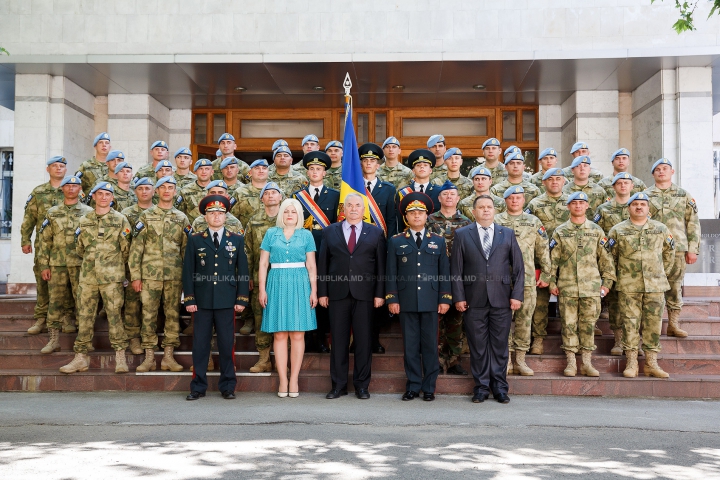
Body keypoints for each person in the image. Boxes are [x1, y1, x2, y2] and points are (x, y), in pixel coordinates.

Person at [451, 195, 524, 404]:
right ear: (473, 212)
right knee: (478, 346)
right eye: (481, 207)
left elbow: (518, 268)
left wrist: (516, 295)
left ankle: (500, 388)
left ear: (494, 210)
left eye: (489, 207)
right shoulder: (463, 235)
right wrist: (459, 297)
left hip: (501, 300)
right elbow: (456, 269)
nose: (485, 210)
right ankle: (481, 387)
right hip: (473, 300)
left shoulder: (507, 234)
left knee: (500, 347)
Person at [318, 193, 386, 400]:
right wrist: (323, 292)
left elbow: (381, 267)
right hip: (337, 294)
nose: (354, 208)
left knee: (364, 341)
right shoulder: (330, 232)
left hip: (365, 294)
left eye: (358, 205)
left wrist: (380, 294)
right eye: (350, 205)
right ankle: (338, 385)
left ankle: (362, 386)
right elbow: (323, 264)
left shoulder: (375, 233)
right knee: (338, 341)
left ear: (364, 210)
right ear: (343, 209)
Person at [59, 181, 131, 374]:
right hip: (88, 276)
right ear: (94, 196)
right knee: (84, 316)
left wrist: (113, 266)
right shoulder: (84, 220)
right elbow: (79, 247)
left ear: (112, 198)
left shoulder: (121, 220)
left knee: (115, 316)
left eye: (108, 194)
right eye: (100, 194)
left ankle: (120, 356)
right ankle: (80, 358)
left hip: (112, 277)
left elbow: (126, 250)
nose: (104, 197)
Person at [183, 195, 249, 400]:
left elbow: (243, 271)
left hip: (226, 300)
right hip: (201, 301)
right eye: (212, 213)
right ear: (205, 216)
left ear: (225, 216)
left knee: (226, 344)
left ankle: (228, 386)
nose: (216, 217)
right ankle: (197, 387)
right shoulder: (195, 240)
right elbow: (188, 271)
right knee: (200, 345)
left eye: (220, 213)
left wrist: (241, 298)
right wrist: (190, 299)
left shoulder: (236, 239)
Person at [386, 192, 451, 401]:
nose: (416, 216)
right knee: (411, 346)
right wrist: (392, 298)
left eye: (420, 213)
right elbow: (391, 272)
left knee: (430, 345)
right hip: (406, 301)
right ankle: (413, 386)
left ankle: (429, 387)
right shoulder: (396, 241)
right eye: (412, 213)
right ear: (406, 217)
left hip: (431, 301)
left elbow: (444, 272)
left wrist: (445, 298)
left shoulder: (438, 241)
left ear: (427, 216)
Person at [608, 192, 675, 379]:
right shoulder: (617, 230)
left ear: (648, 208)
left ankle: (651, 363)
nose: (639, 207)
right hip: (628, 286)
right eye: (635, 204)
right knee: (629, 323)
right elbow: (609, 257)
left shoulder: (661, 229)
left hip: (655, 286)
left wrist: (660, 272)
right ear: (628, 208)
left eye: (643, 204)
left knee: (653, 324)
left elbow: (670, 253)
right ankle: (631, 363)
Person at [549, 192, 616, 377]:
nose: (578, 206)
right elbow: (552, 260)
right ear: (568, 206)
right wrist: (552, 281)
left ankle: (586, 362)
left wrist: (607, 283)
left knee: (588, 325)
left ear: (587, 206)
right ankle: (571, 363)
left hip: (591, 288)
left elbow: (606, 260)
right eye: (574, 203)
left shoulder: (596, 231)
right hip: (567, 287)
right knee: (569, 325)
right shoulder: (560, 231)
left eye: (581, 203)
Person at [129, 176, 191, 373]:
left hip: (174, 275)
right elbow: (136, 248)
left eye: (170, 187)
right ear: (156, 191)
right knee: (148, 315)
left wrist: (185, 279)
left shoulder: (182, 218)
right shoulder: (146, 217)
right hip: (149, 276)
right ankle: (149, 358)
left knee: (172, 315)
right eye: (162, 187)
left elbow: (186, 251)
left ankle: (168, 357)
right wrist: (136, 276)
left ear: (175, 192)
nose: (166, 190)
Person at [258, 198, 318, 397]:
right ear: (281, 214)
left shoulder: (306, 235)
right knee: (280, 334)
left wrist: (314, 290)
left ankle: (294, 380)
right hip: (276, 282)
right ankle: (283, 380)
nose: (289, 214)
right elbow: (263, 264)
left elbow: (311, 265)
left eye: (293, 211)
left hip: (300, 283)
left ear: (299, 215)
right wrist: (262, 289)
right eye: (286, 211)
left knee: (298, 334)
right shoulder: (270, 234)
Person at [494, 186, 551, 376]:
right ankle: (506, 360)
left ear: (524, 199)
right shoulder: (496, 221)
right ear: (505, 200)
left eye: (518, 197)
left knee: (524, 321)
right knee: (502, 321)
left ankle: (520, 359)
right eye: (510, 198)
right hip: (500, 280)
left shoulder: (533, 221)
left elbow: (543, 250)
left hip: (526, 279)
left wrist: (546, 274)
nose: (514, 201)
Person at [645, 158, 701, 338]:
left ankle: (673, 323)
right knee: (652, 287)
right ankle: (651, 326)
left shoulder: (684, 195)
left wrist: (693, 248)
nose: (662, 172)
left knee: (675, 286)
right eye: (658, 169)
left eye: (665, 169)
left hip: (677, 248)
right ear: (653, 174)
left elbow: (693, 223)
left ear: (672, 172)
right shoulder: (645, 195)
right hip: (652, 249)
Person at [37, 175, 93, 353]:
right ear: (62, 189)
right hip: (57, 264)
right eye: (67, 185)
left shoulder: (88, 212)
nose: (71, 188)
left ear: (80, 189)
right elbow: (44, 240)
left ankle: (85, 340)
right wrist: (44, 265)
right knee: (55, 302)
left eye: (74, 185)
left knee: (83, 302)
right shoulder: (52, 212)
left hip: (81, 264)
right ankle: (53, 340)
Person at [292, 151, 339, 353]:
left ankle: (321, 338)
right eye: (311, 169)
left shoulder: (335, 196)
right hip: (302, 253)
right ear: (307, 172)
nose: (315, 172)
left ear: (325, 173)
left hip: (326, 252)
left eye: (318, 169)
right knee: (304, 296)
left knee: (322, 296)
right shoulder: (297, 197)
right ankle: (307, 337)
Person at [426, 180, 471, 375]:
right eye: (445, 194)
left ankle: (454, 360)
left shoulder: (467, 222)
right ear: (439, 197)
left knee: (456, 320)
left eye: (453, 194)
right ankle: (435, 360)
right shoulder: (429, 220)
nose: (449, 197)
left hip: (458, 277)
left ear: (458, 198)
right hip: (433, 277)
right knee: (435, 320)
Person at [525, 168, 569, 354]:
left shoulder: (572, 202)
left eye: (558, 179)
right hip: (541, 260)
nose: (554, 182)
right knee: (540, 303)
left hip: (568, 261)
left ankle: (569, 342)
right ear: (543, 182)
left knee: (569, 303)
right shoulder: (535, 204)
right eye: (550, 179)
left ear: (564, 181)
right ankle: (538, 339)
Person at [360, 142, 399, 353]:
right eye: (365, 160)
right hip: (356, 251)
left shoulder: (388, 189)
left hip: (379, 248)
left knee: (376, 296)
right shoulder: (352, 187)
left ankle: (373, 339)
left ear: (378, 165)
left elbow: (392, 221)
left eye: (372, 161)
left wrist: (390, 246)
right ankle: (356, 340)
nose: (369, 163)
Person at [21, 155, 66, 335]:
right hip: (44, 246)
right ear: (48, 169)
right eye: (54, 166)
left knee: (66, 284)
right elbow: (29, 218)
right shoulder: (38, 192)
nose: (58, 168)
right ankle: (41, 318)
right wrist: (25, 239)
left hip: (67, 247)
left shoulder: (73, 190)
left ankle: (64, 317)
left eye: (62, 166)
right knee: (42, 281)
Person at [244, 182, 284, 373]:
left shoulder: (288, 219)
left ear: (280, 197)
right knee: (260, 318)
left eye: (274, 193)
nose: (270, 196)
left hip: (285, 278)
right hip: (261, 279)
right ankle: (264, 358)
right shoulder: (253, 221)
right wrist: (248, 277)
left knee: (284, 317)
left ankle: (285, 359)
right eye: (266, 193)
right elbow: (248, 251)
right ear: (261, 199)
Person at [594, 172, 633, 355]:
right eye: (619, 183)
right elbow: (597, 235)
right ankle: (618, 341)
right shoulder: (603, 209)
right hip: (611, 262)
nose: (623, 186)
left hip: (634, 266)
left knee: (634, 306)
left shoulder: (640, 206)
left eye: (626, 183)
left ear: (632, 186)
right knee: (615, 304)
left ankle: (634, 342)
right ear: (614, 187)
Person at [120, 177, 155, 354]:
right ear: (135, 192)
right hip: (131, 266)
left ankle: (152, 337)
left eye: (148, 188)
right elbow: (124, 242)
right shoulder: (126, 213)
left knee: (153, 305)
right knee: (132, 304)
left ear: (153, 191)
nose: (144, 192)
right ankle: (133, 338)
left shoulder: (159, 212)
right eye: (140, 189)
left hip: (154, 267)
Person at [395, 149, 441, 217]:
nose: (422, 167)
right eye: (418, 165)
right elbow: (399, 218)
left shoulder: (439, 191)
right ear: (413, 171)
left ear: (430, 170)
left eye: (425, 165)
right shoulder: (403, 193)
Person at [562, 156, 607, 222]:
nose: (582, 169)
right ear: (572, 170)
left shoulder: (600, 191)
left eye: (585, 166)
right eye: (578, 166)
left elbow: (606, 212)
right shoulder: (564, 191)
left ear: (589, 170)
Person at [176, 158, 215, 224]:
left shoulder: (217, 190)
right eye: (200, 169)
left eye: (207, 169)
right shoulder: (185, 190)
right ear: (195, 172)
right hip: (192, 230)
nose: (204, 172)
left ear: (212, 172)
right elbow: (180, 213)